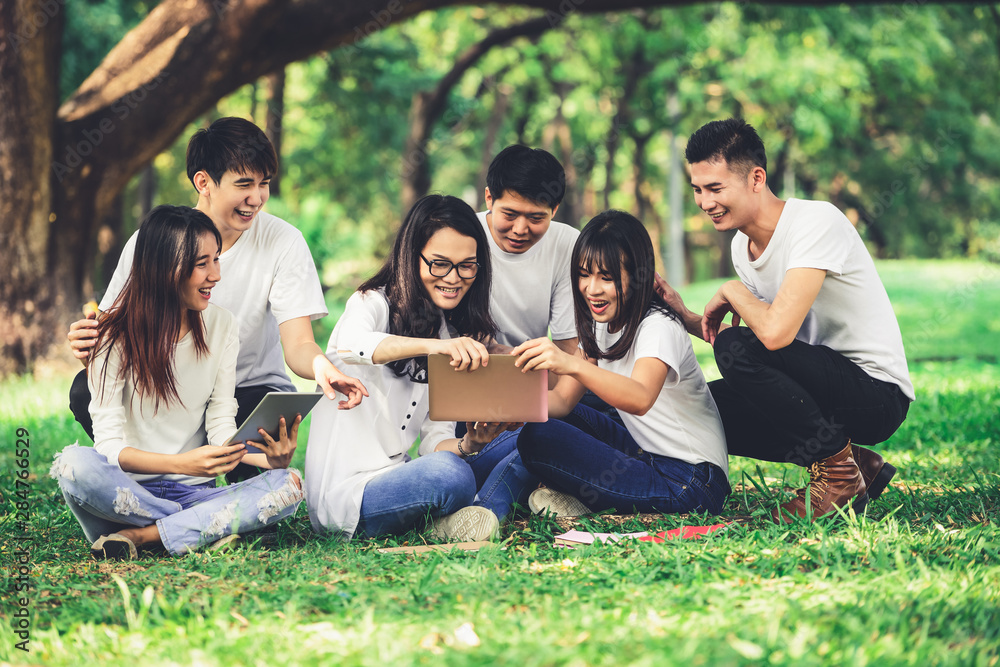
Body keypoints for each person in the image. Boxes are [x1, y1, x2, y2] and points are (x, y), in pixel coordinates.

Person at [66, 117, 367, 481]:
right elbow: (117, 334)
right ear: (203, 182)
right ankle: (161, 477)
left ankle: (196, 490)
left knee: (266, 502)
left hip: (248, 394)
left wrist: (322, 367)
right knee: (86, 390)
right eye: (244, 184)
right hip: (172, 390)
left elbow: (299, 342)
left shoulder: (283, 241)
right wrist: (89, 346)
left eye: (264, 184)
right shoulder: (154, 241)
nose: (256, 199)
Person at [658, 117, 913, 522]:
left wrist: (731, 290)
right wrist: (685, 315)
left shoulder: (815, 223)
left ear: (756, 178)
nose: (705, 202)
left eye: (715, 188)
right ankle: (855, 463)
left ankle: (837, 475)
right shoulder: (743, 247)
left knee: (732, 348)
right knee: (704, 406)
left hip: (876, 394)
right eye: (698, 190)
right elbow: (764, 346)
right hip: (821, 385)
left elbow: (774, 335)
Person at [50, 206, 304, 560]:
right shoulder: (111, 334)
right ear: (164, 269)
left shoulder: (222, 326)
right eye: (203, 264)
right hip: (130, 491)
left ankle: (141, 536)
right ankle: (197, 529)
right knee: (74, 465)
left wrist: (269, 462)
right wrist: (182, 464)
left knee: (288, 485)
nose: (216, 275)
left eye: (217, 260)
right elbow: (108, 446)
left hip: (195, 491)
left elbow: (220, 421)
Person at [306, 195, 531, 541]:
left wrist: (470, 443)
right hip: (349, 498)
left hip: (407, 477)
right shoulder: (372, 302)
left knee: (530, 440)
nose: (454, 278)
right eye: (440, 264)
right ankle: (467, 513)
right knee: (450, 476)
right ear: (413, 258)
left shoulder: (445, 330)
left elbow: (434, 441)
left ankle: (472, 518)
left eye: (467, 265)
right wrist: (437, 348)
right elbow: (351, 345)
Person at [512, 211, 730, 518]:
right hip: (645, 455)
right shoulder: (602, 324)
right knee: (551, 419)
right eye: (584, 274)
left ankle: (581, 497)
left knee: (538, 439)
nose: (592, 288)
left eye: (607, 277)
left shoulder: (658, 325)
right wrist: (501, 403)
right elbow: (561, 401)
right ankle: (580, 496)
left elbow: (640, 398)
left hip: (690, 483)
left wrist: (568, 362)